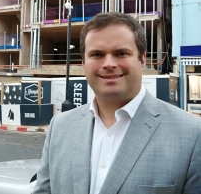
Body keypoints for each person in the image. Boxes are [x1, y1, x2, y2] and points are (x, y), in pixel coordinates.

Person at [33, 12, 201, 194]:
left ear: (142, 59)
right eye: (97, 54)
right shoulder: (59, 127)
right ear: (83, 62)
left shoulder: (192, 135)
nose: (109, 64)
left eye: (121, 53)